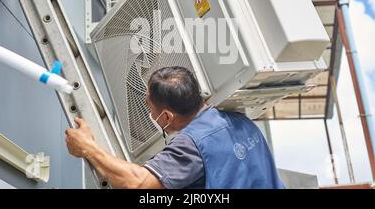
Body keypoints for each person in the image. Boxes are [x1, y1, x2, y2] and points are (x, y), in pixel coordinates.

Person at [65, 66, 285, 189]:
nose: (151, 115)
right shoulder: (240, 121)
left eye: (150, 108)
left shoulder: (192, 144)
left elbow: (138, 183)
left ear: (167, 116)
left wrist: (87, 148)